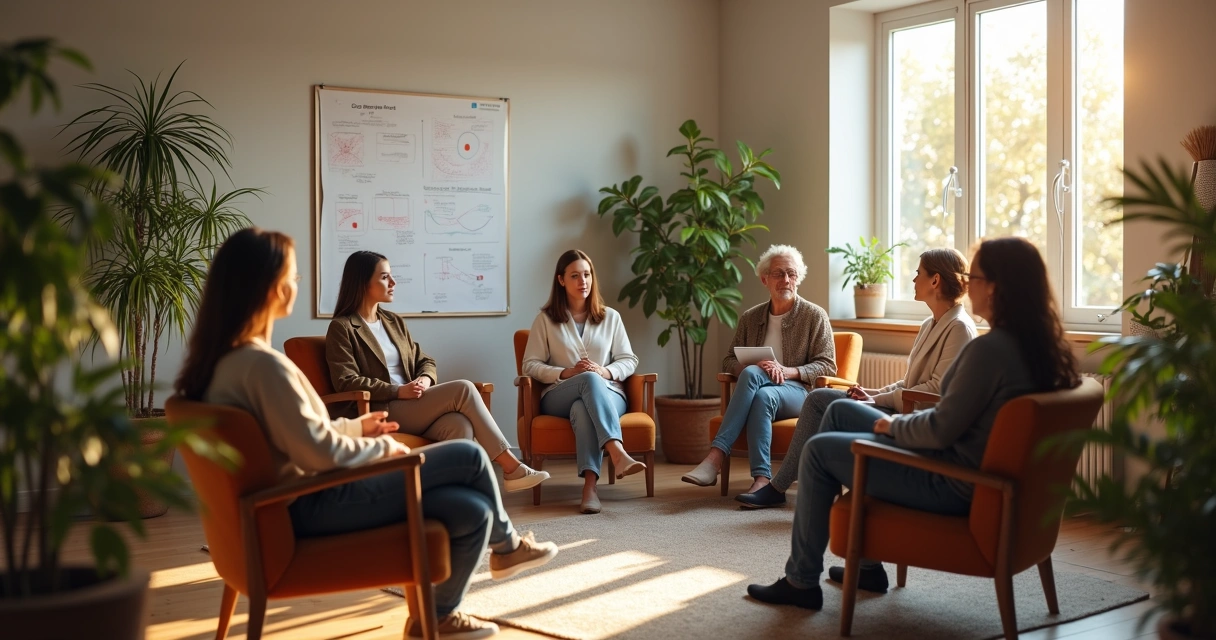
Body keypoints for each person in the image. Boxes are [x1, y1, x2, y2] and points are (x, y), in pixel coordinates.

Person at [176, 228, 558, 638]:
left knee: (470, 508)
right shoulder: (263, 367)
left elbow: (298, 434)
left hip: (292, 502)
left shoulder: (224, 366)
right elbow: (316, 453)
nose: (295, 284)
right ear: (269, 287)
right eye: (292, 275)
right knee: (467, 458)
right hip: (314, 503)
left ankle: (439, 615)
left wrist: (357, 426)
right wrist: (381, 449)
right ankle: (507, 547)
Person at [747, 236, 1080, 610]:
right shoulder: (1044, 352)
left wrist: (891, 428)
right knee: (837, 409)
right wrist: (878, 403)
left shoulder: (989, 350)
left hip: (949, 479)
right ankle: (867, 566)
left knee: (821, 451)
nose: (969, 283)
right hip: (977, 475)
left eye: (977, 276)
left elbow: (941, 426)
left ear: (998, 287)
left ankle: (801, 581)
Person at [740, 248, 978, 509]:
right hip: (899, 405)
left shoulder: (959, 328)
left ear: (935, 281)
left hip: (913, 418)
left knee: (837, 407)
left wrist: (878, 400)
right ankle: (799, 489)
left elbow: (935, 392)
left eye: (918, 273)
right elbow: (908, 382)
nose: (913, 279)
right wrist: (872, 393)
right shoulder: (929, 324)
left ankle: (784, 488)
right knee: (819, 398)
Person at [325, 250, 549, 493]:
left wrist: (424, 378)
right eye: (385, 277)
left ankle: (458, 495)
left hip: (413, 404)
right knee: (463, 389)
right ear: (363, 282)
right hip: (382, 409)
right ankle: (511, 467)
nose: (393, 283)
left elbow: (425, 360)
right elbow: (346, 381)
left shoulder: (392, 322)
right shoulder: (342, 327)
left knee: (458, 423)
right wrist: (398, 391)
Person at [681, 244, 836, 501]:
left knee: (753, 376)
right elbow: (728, 359)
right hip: (762, 394)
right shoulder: (750, 318)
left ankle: (715, 457)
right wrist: (744, 367)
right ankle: (762, 479)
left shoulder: (814, 316)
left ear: (798, 278)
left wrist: (787, 371)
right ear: (765, 279)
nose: (786, 280)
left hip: (801, 393)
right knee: (758, 388)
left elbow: (827, 366)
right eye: (778, 274)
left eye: (792, 273)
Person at [521, 249, 645, 515]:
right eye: (575, 275)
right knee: (584, 383)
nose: (583, 281)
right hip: (558, 395)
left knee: (583, 406)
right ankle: (617, 450)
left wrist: (604, 372)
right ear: (561, 280)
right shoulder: (545, 320)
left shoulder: (611, 317)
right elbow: (529, 365)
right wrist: (566, 373)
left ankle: (590, 488)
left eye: (587, 275)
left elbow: (628, 359)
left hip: (609, 392)